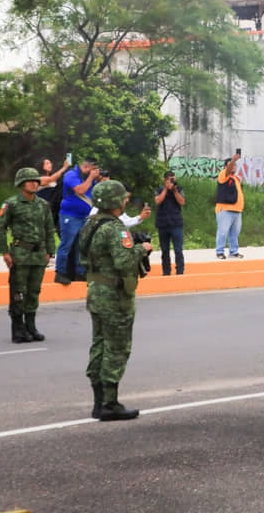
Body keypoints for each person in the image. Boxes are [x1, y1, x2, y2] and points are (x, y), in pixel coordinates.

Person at [80, 180, 152, 421]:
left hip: (96, 292)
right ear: (112, 201)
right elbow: (123, 261)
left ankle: (99, 402)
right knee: (117, 348)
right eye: (122, 198)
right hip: (115, 297)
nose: (125, 201)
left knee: (99, 345)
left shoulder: (90, 224)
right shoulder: (115, 228)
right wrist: (143, 248)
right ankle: (109, 404)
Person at [0, 168, 56, 343]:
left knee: (34, 292)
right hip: (20, 254)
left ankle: (31, 327)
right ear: (21, 184)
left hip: (39, 255)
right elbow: (0, 228)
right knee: (18, 292)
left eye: (36, 181)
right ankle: (18, 330)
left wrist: (50, 252)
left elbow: (50, 229)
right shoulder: (11, 204)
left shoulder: (43, 204)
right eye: (30, 181)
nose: (34, 183)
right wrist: (4, 252)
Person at [55, 156, 99, 284]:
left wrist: (97, 179)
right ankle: (60, 272)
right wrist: (91, 178)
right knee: (66, 244)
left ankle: (79, 272)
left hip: (83, 217)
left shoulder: (88, 179)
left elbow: (94, 193)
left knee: (81, 246)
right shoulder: (71, 175)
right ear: (85, 167)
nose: (94, 172)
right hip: (70, 216)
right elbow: (80, 190)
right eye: (93, 169)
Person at [155, 170, 186, 275]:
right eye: (169, 179)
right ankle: (166, 272)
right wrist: (165, 189)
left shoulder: (178, 189)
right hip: (162, 224)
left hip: (176, 223)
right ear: (165, 180)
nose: (172, 180)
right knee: (165, 251)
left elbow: (182, 202)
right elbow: (158, 201)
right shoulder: (159, 190)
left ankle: (180, 271)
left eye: (173, 178)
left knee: (178, 250)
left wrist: (174, 191)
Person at [215, 154, 244, 259]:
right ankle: (220, 252)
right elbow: (228, 170)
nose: (234, 167)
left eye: (235, 165)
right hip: (225, 209)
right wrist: (234, 160)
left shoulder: (236, 178)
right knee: (223, 232)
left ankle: (234, 251)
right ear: (226, 167)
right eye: (232, 165)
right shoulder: (223, 175)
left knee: (235, 233)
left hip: (237, 211)